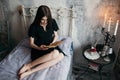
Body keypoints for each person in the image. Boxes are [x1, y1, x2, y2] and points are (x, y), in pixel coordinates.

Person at [18, 5, 65, 80]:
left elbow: (56, 36)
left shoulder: (52, 22)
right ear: (38, 18)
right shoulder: (33, 26)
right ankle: (28, 65)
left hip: (50, 46)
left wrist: (52, 43)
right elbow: (31, 44)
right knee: (55, 54)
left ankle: (30, 71)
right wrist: (39, 48)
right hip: (39, 48)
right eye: (43, 20)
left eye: (47, 19)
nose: (45, 22)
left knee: (61, 56)